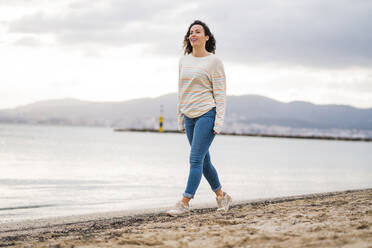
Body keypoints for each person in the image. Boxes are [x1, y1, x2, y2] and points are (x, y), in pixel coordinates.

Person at [167, 20, 232, 216]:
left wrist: (218, 121)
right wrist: (180, 117)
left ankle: (184, 202)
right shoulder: (183, 60)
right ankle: (222, 196)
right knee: (204, 162)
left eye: (198, 31)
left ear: (206, 37)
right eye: (191, 32)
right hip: (189, 115)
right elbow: (182, 91)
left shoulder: (214, 62)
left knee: (195, 159)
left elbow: (220, 94)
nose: (193, 34)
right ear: (188, 38)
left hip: (207, 114)